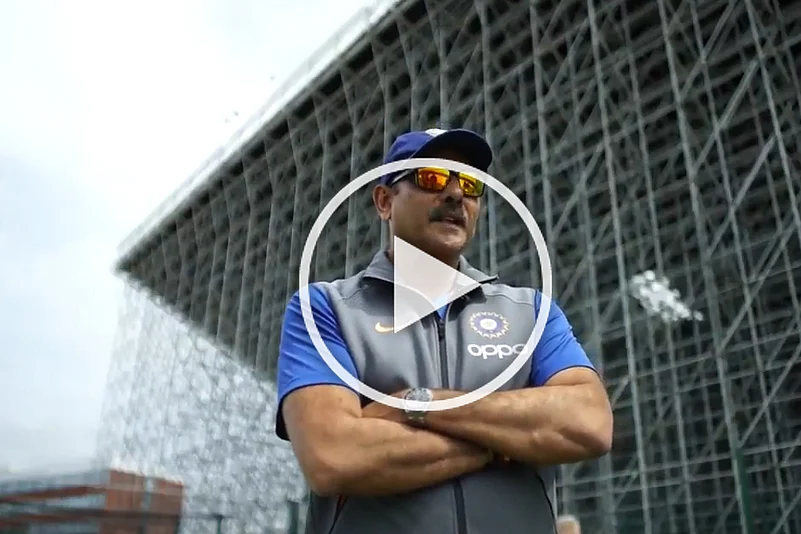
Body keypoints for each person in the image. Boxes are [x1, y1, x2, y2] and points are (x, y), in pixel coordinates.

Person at [275, 127, 613, 534]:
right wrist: (505, 438)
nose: (455, 193)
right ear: (384, 201)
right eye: (431, 177)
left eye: (470, 183)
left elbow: (589, 422)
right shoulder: (326, 308)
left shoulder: (532, 310)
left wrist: (416, 404)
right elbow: (334, 456)